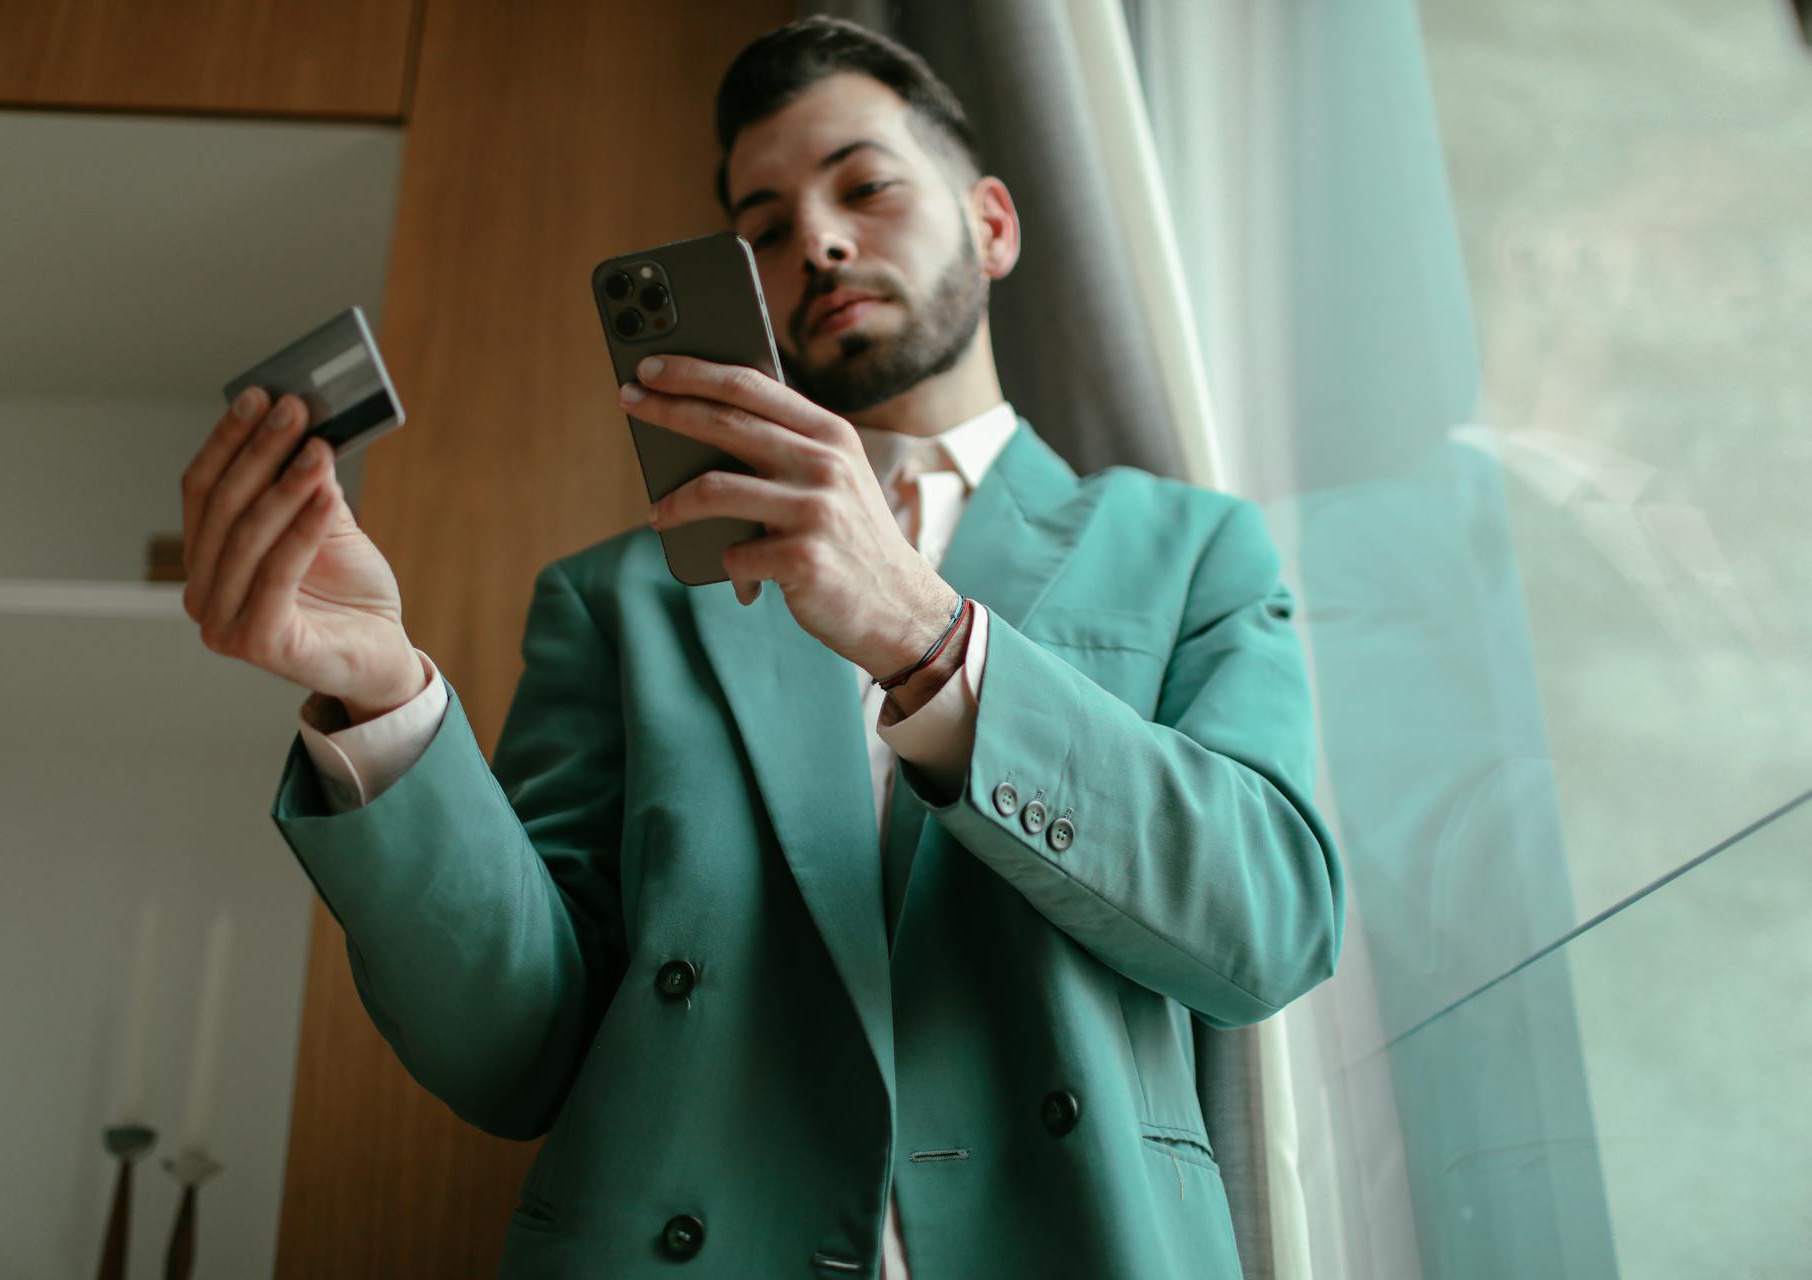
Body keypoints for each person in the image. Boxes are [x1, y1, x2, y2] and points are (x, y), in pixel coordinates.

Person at [179, 16, 1342, 1279]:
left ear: (993, 223)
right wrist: (384, 701)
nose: (819, 242)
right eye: (766, 228)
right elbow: (517, 1055)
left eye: (866, 186)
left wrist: (926, 635)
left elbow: (1269, 924)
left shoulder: (1189, 548)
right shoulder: (616, 600)